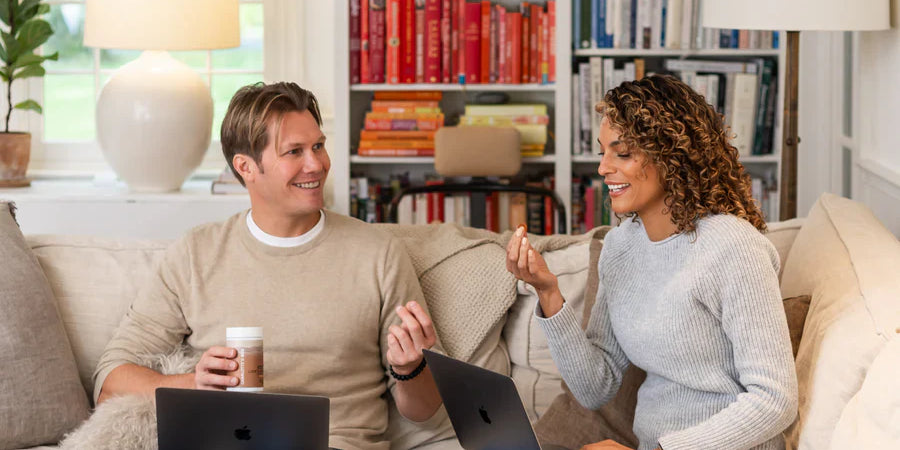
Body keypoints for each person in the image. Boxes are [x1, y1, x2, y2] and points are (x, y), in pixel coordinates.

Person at [94, 82, 442, 450]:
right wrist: (194, 384)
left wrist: (410, 369)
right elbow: (111, 380)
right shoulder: (196, 254)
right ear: (246, 167)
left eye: (319, 146)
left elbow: (424, 409)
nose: (317, 165)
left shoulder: (379, 254)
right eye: (294, 151)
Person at [507, 75, 798, 450]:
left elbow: (775, 400)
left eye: (622, 152)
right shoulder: (620, 248)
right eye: (602, 152)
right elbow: (596, 387)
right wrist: (548, 293)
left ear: (672, 155)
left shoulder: (733, 247)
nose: (603, 168)